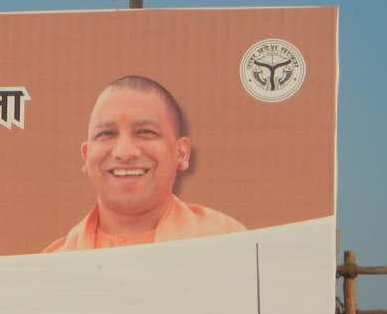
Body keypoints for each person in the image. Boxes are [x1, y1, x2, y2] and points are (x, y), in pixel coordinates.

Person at [43, 75, 245, 252]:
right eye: (106, 134)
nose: (124, 152)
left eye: (145, 132)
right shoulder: (54, 265)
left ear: (181, 152)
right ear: (86, 156)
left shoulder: (227, 241)